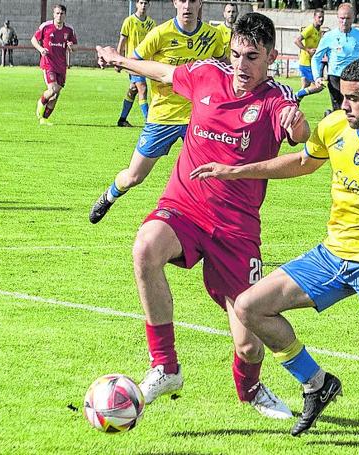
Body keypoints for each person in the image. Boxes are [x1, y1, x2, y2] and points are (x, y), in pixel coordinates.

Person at [190, 55, 359, 454]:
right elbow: (304, 161)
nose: (343, 105)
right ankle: (317, 383)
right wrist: (234, 171)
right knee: (249, 307)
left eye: (354, 99)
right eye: (342, 96)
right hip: (331, 254)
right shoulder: (336, 126)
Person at [95, 12, 310, 419]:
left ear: (271, 57)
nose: (241, 67)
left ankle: (250, 390)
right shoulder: (208, 75)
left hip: (236, 228)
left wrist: (297, 124)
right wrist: (120, 60)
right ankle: (165, 366)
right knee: (145, 247)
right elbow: (162, 70)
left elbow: (300, 135)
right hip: (186, 206)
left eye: (252, 57)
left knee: (249, 343)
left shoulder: (276, 98)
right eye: (236, 56)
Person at [89, 0, 226, 224]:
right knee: (134, 177)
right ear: (175, 3)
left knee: (212, 177)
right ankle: (110, 195)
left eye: (193, 0)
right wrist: (112, 60)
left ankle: (212, 231)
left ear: (200, 3)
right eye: (182, 0)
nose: (187, 6)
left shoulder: (213, 36)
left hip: (199, 117)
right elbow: (132, 63)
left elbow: (224, 65)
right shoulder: (159, 34)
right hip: (163, 116)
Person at [311, 2, 359, 115]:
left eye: (348, 18)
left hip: (353, 78)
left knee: (353, 110)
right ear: (337, 18)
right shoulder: (329, 36)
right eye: (342, 18)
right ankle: (331, 117)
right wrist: (317, 77)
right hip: (335, 77)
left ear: (353, 18)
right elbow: (316, 58)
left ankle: (329, 116)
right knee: (340, 110)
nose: (344, 21)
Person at [31, 4, 77, 126]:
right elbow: (33, 40)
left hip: (61, 66)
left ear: (65, 15)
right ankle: (40, 102)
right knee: (52, 90)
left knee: (56, 95)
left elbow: (74, 47)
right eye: (57, 13)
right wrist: (41, 49)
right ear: (53, 14)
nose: (59, 16)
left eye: (61, 14)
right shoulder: (46, 26)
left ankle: (44, 118)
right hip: (48, 64)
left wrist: (71, 47)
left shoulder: (69, 30)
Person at [116, 0, 156, 127]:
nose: (143, 5)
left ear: (149, 5)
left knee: (133, 89)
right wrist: (118, 60)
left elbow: (154, 43)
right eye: (141, 3)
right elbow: (122, 41)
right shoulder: (129, 21)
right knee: (142, 89)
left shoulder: (151, 23)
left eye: (146, 3)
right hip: (133, 62)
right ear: (137, 4)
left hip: (145, 63)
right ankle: (149, 121)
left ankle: (122, 120)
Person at [294, 9, 325, 100]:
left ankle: (294, 106)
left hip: (311, 62)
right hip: (306, 63)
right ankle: (295, 95)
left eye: (323, 17)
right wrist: (307, 50)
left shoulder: (319, 31)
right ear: (314, 18)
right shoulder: (310, 29)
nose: (321, 19)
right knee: (319, 86)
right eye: (319, 17)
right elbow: (296, 40)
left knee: (305, 87)